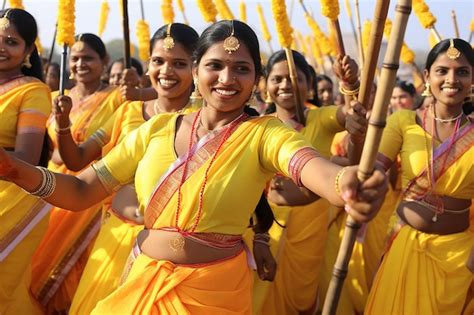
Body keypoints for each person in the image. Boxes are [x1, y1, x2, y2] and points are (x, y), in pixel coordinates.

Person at [0, 20, 387, 314]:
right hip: (142, 281)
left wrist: (346, 183)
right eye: (216, 65)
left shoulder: (265, 134)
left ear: (256, 81)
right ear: (198, 69)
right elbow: (81, 190)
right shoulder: (155, 128)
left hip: (213, 292)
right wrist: (13, 169)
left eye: (241, 69)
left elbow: (311, 167)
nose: (227, 79)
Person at [68, 23, 199, 314]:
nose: (166, 71)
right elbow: (78, 163)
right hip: (116, 230)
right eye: (158, 61)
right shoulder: (128, 111)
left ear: (197, 68)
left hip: (171, 250)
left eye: (179, 63)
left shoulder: (203, 122)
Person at [366, 38, 473, 314]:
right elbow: (375, 168)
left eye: (462, 71)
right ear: (426, 76)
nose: (452, 79)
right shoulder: (404, 121)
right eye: (442, 71)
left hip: (459, 257)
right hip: (405, 248)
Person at [250, 49, 361, 314]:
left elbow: (351, 113)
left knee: (303, 300)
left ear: (308, 84)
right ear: (266, 86)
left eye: (294, 78)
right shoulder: (257, 125)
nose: (286, 84)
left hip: (311, 225)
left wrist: (351, 85)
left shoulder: (320, 119)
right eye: (277, 79)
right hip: (267, 225)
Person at [29, 33, 124, 313]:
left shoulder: (117, 99)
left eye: (89, 58)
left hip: (90, 193)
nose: (81, 64)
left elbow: (83, 153)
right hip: (49, 189)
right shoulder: (55, 97)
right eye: (76, 58)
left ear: (104, 61)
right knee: (39, 262)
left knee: (79, 270)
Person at [0, 8, 52, 313]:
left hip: (13, 197)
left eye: (11, 41)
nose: (1, 47)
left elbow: (27, 158)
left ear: (29, 50)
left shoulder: (33, 91)